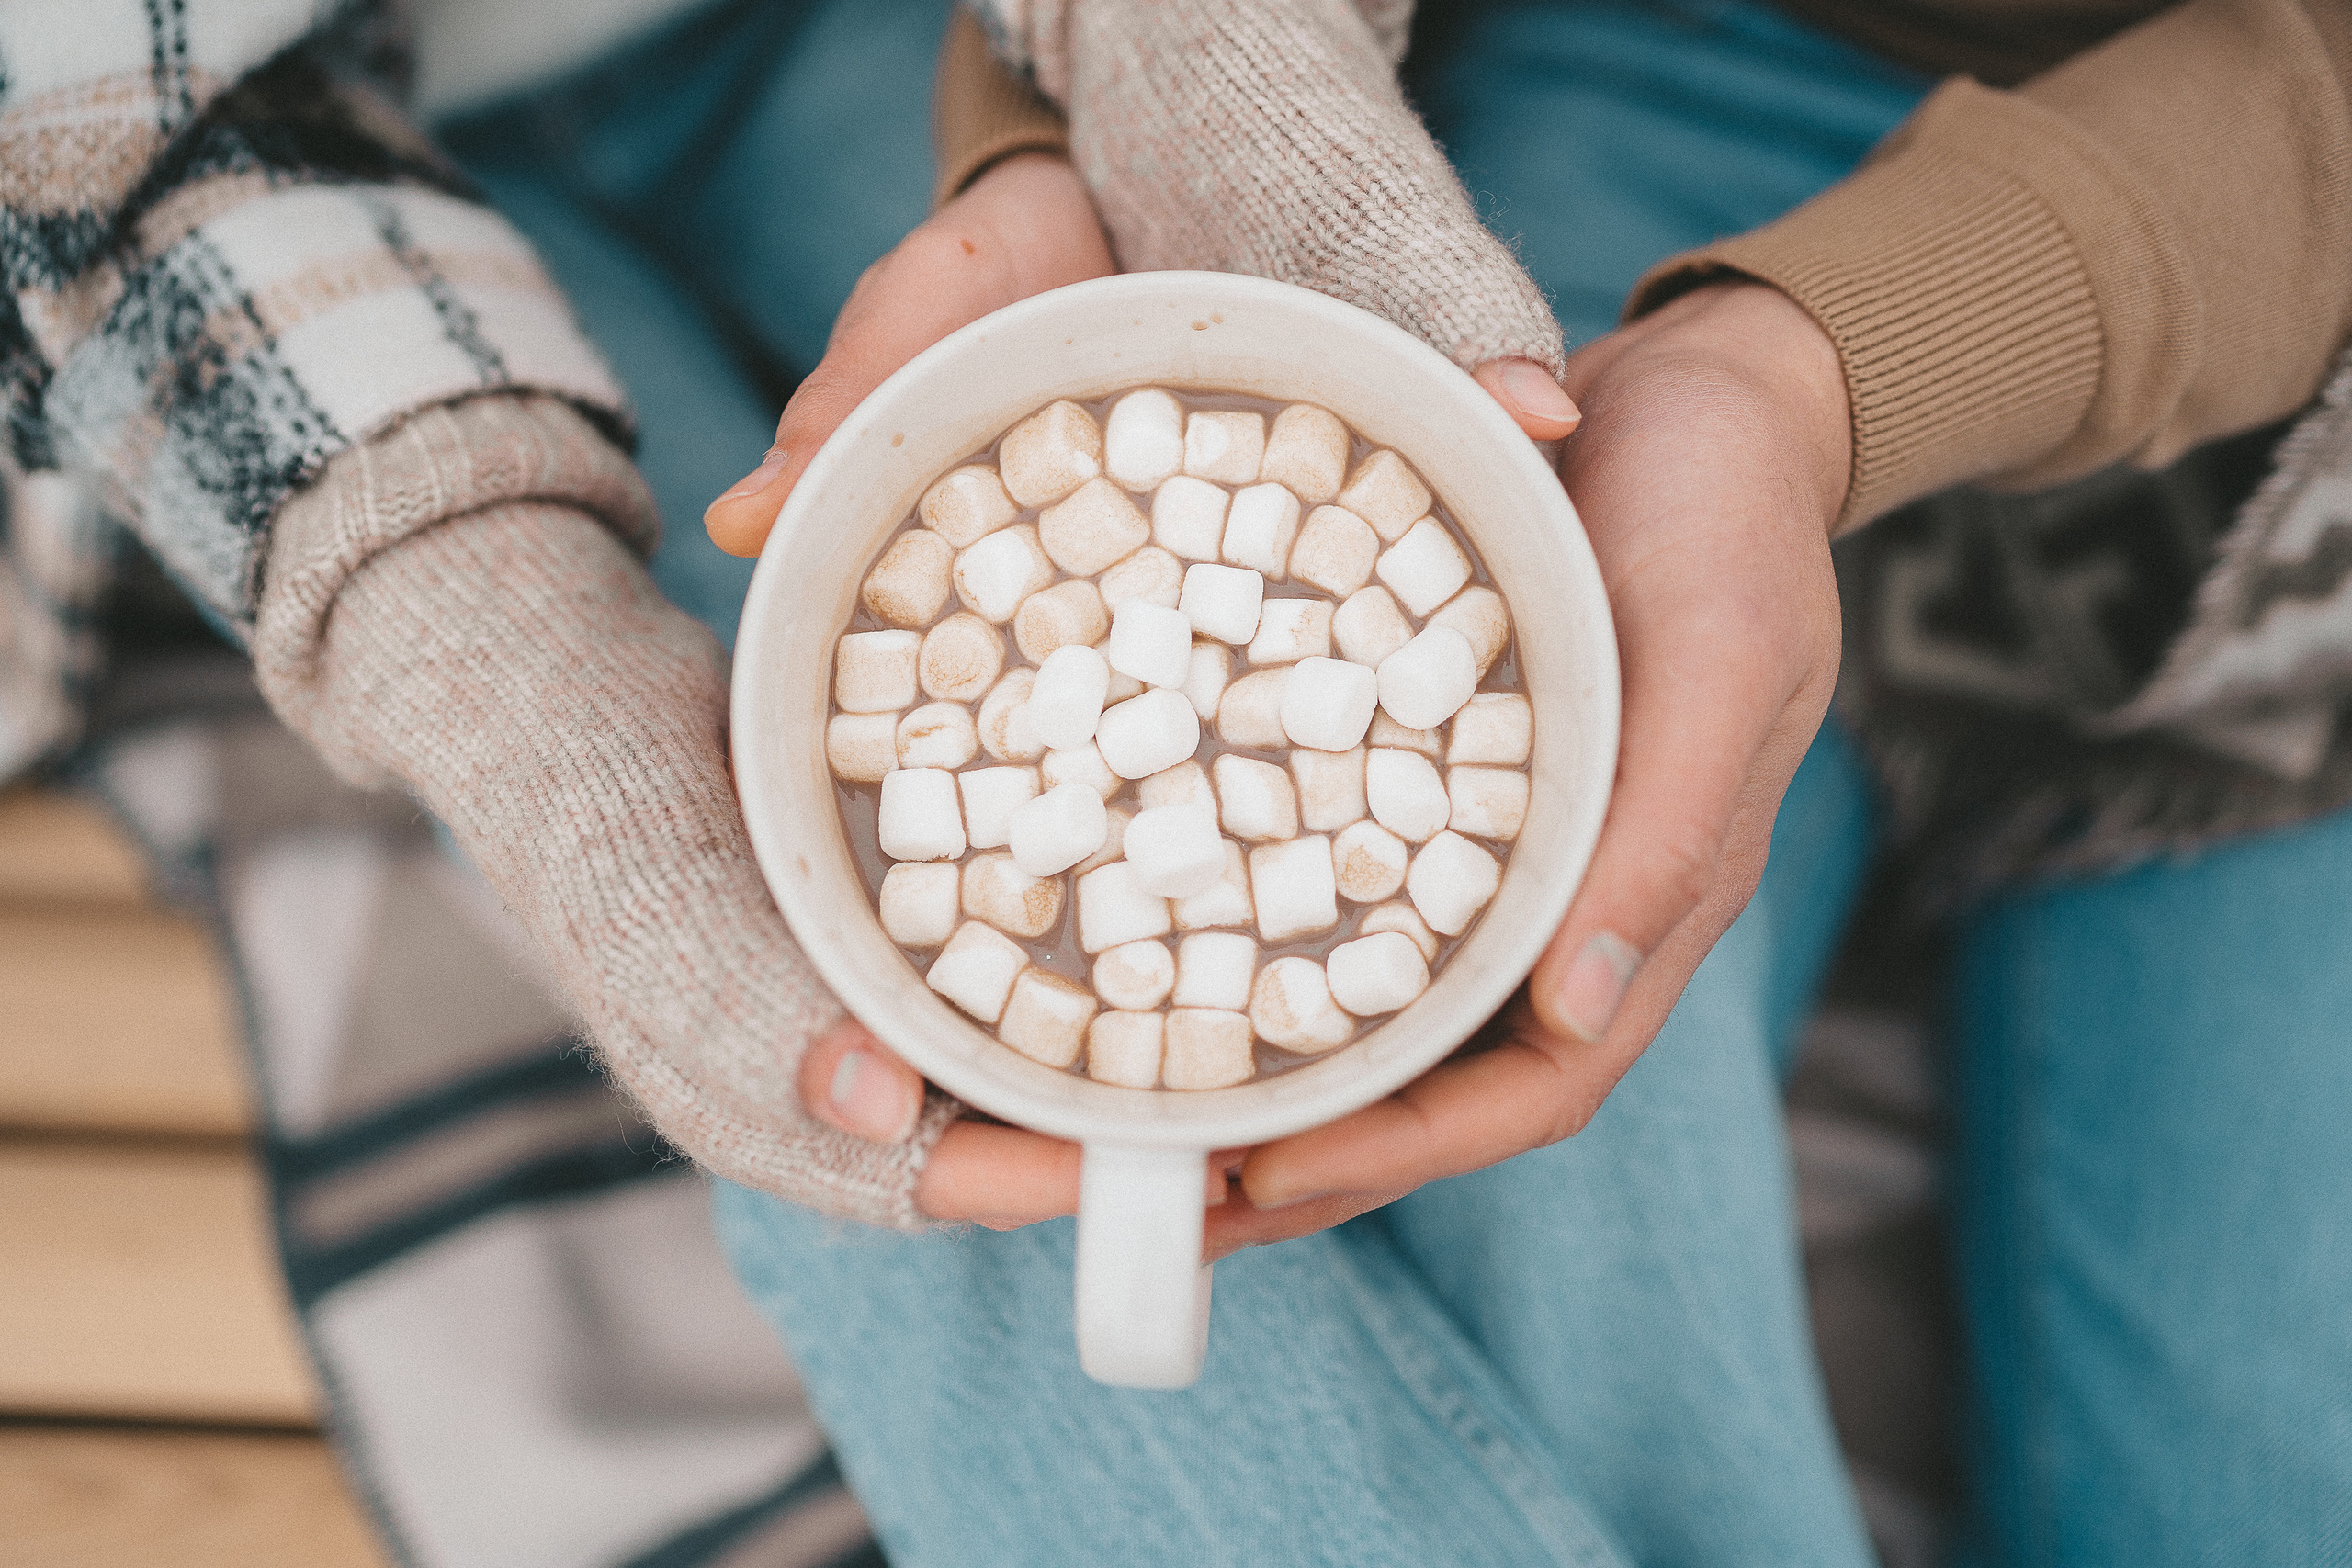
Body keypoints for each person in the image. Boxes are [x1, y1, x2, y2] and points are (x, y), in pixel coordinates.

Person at [698, 4, 2352, 1565]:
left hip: (2301, 371)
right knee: (1574, 1162)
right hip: (1629, 90)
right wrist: (1091, 114)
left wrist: (1813, 368)